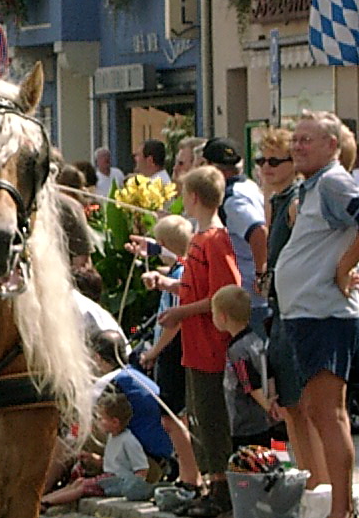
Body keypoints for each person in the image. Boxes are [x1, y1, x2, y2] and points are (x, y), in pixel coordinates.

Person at [275, 111, 359, 518]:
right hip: (308, 314)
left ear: (332, 145)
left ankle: (343, 516)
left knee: (329, 414)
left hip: (325, 314)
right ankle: (340, 513)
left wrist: (345, 267)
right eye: (296, 139)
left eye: (308, 139)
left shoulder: (332, 182)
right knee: (316, 411)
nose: (298, 146)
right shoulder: (312, 187)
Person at [153, 164, 240, 518]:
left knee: (211, 416)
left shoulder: (216, 240)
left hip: (209, 344)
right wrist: (171, 287)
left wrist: (181, 313)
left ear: (193, 197)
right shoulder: (199, 241)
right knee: (199, 416)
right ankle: (208, 483)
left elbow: (224, 294)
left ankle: (221, 489)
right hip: (194, 344)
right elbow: (198, 286)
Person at [256, 126, 327, 485]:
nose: (266, 167)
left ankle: (320, 481)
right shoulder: (276, 200)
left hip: (298, 308)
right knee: (289, 405)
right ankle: (309, 476)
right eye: (261, 161)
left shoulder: (296, 200)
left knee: (306, 406)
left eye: (274, 161)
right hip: (279, 309)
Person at [88, 330, 199, 491]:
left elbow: (80, 419)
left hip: (144, 465)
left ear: (97, 358)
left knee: (75, 438)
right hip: (162, 460)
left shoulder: (108, 382)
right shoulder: (134, 375)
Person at [41, 391, 153, 507]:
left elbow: (142, 468)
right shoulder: (112, 437)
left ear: (115, 422)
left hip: (117, 482)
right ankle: (45, 498)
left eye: (101, 419)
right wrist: (92, 458)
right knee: (78, 482)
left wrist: (134, 488)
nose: (98, 422)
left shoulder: (129, 441)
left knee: (83, 487)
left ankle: (47, 502)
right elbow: (114, 463)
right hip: (108, 478)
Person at [201, 137, 268, 322]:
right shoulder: (248, 186)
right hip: (249, 295)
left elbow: (258, 231)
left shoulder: (232, 199)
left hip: (247, 296)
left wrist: (261, 274)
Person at [138, 213, 193, 419]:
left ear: (161, 244)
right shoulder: (179, 269)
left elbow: (176, 323)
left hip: (172, 352)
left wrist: (154, 351)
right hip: (169, 350)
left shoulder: (180, 275)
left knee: (171, 417)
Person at [212, 284, 276, 450]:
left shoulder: (237, 350)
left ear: (223, 318)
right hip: (262, 420)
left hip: (245, 422)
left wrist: (268, 406)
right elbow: (268, 371)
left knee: (248, 466)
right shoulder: (256, 339)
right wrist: (271, 397)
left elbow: (249, 383)